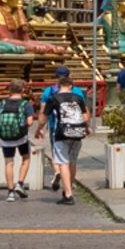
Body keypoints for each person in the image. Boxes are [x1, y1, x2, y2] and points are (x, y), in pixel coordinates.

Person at [39, 68, 92, 205]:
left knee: (63, 162)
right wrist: (87, 127)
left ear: (58, 84)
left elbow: (43, 117)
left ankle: (68, 194)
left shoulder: (52, 97)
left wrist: (39, 129)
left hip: (60, 133)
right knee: (72, 161)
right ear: (70, 85)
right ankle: (69, 188)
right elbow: (86, 115)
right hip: (77, 133)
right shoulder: (78, 96)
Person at [0, 89, 35, 198]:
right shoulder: (25, 104)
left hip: (5, 138)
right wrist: (22, 127)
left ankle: (10, 192)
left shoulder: (2, 103)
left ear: (10, 91)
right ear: (22, 91)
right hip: (21, 138)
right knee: (26, 159)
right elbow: (30, 122)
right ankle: (20, 184)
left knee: (8, 162)